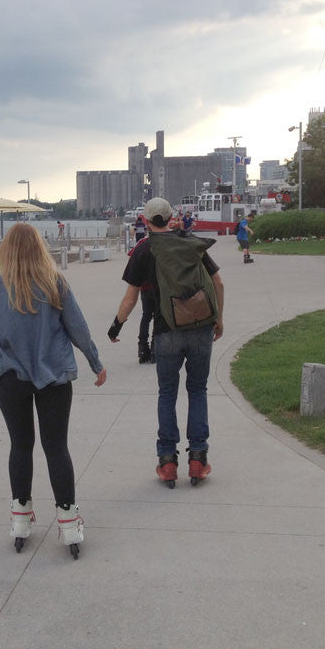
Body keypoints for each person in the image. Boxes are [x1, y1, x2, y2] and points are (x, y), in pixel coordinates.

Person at [0, 223, 107, 558]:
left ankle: (20, 517)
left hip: (10, 377)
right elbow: (78, 326)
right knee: (56, 447)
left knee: (21, 444)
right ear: (39, 248)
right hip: (55, 376)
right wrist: (95, 362)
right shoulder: (55, 282)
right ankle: (69, 520)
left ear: (7, 251)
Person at [108, 197, 225, 487]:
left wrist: (115, 326)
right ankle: (198, 458)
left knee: (167, 394)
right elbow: (219, 283)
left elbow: (130, 298)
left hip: (165, 332)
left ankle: (167, 462)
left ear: (146, 221)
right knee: (197, 390)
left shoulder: (144, 250)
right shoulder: (190, 242)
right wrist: (219, 319)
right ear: (172, 217)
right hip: (200, 326)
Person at [128, 236, 156, 364]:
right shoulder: (165, 241)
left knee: (146, 316)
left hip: (144, 287)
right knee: (159, 317)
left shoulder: (142, 243)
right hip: (160, 288)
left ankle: (142, 349)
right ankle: (156, 348)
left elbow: (131, 255)